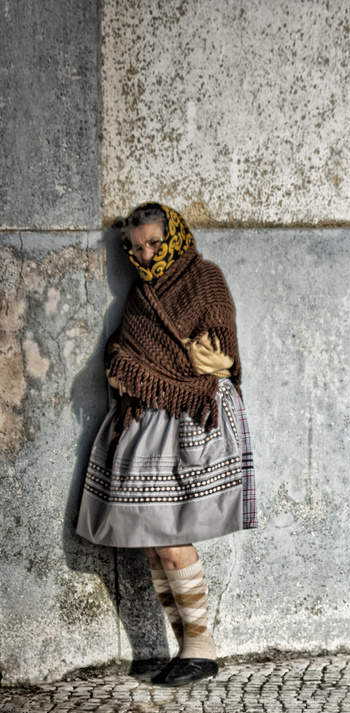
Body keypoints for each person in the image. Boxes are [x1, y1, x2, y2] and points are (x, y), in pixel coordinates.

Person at [77, 203, 257, 685]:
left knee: (171, 537)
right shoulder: (141, 295)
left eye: (154, 243)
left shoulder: (205, 280)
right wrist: (137, 363)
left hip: (194, 419)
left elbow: (216, 359)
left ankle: (202, 648)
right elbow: (121, 356)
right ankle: (189, 650)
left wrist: (151, 367)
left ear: (175, 236)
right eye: (137, 248)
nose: (147, 254)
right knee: (153, 542)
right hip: (148, 425)